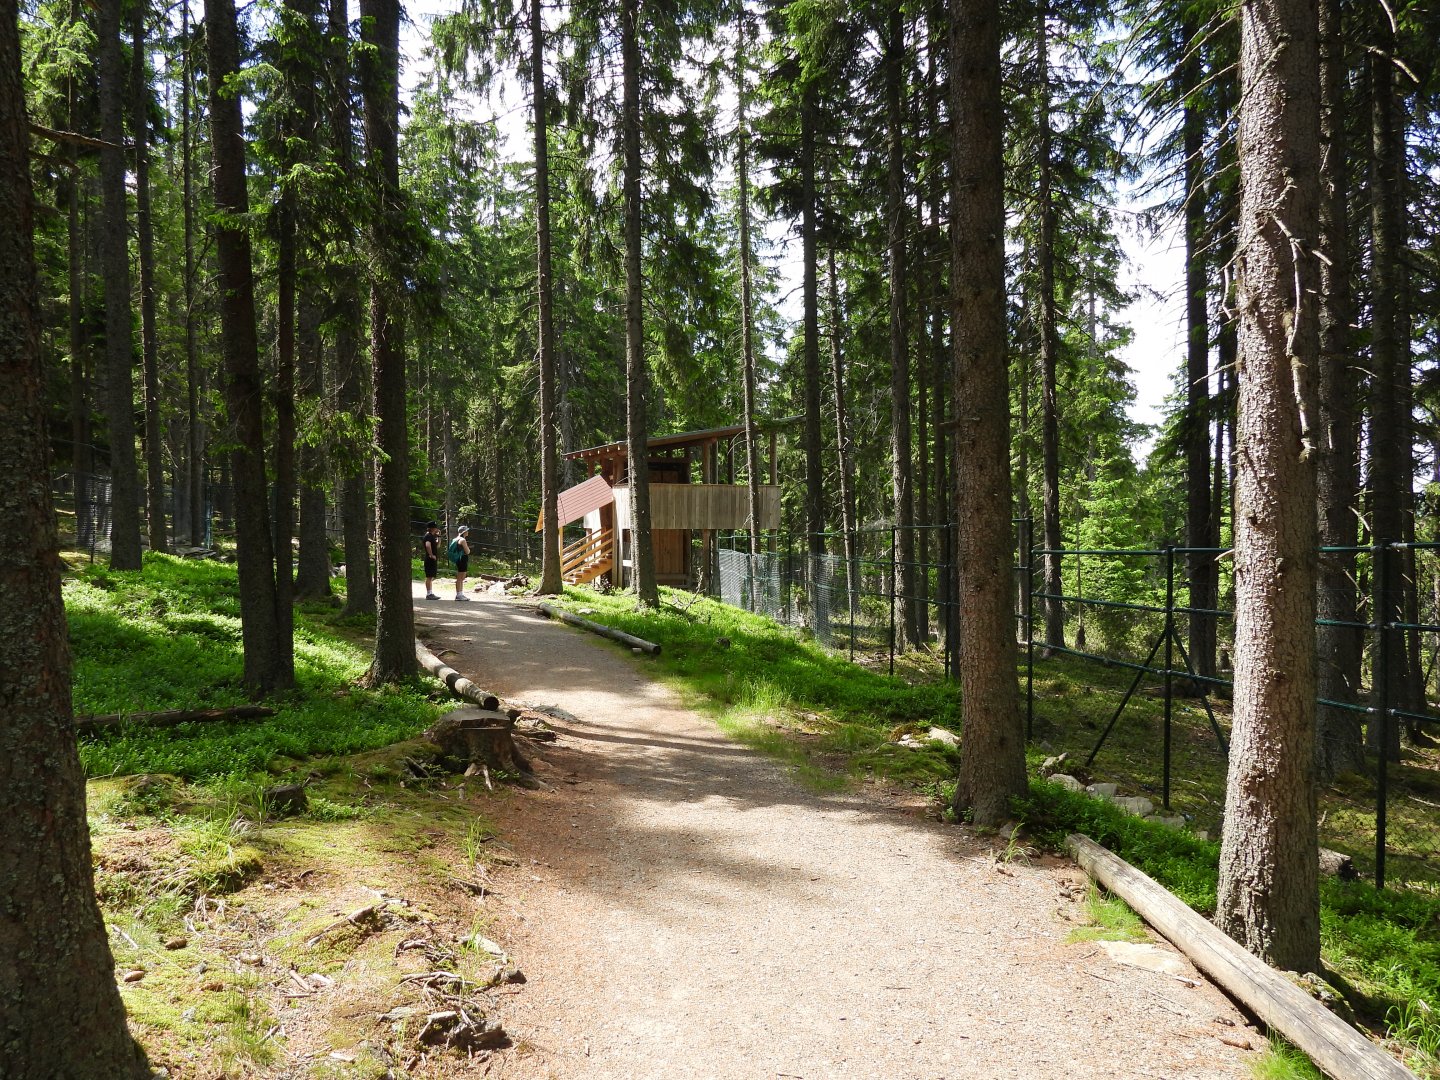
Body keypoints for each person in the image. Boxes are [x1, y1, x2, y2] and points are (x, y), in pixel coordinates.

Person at [449, 524, 471, 601]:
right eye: (467, 531)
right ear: (464, 532)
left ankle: (460, 594)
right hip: (462, 559)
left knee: (460, 577)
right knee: (461, 577)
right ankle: (459, 595)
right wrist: (468, 549)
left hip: (458, 559)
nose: (468, 532)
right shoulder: (462, 540)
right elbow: (467, 551)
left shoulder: (455, 539)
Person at [420, 521, 441, 600]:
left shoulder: (432, 536)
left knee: (431, 576)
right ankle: (429, 594)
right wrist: (431, 555)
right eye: (435, 527)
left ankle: (430, 593)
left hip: (432, 559)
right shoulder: (428, 536)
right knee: (429, 576)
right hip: (430, 559)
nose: (436, 529)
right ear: (432, 528)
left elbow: (437, 546)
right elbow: (428, 545)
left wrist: (439, 537)